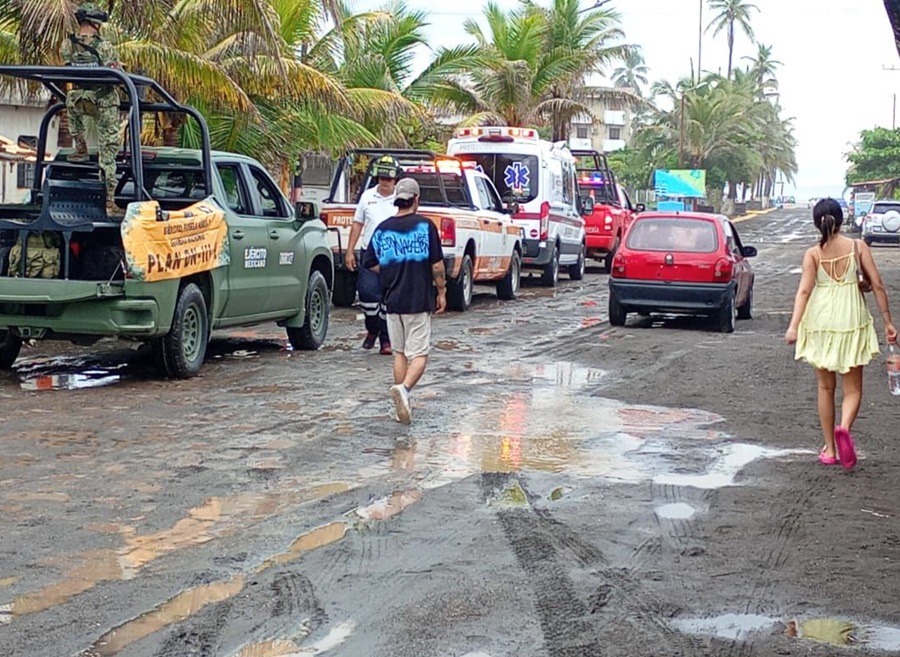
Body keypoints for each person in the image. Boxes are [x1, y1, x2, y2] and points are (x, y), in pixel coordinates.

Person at [785, 198, 897, 469]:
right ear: (842, 219)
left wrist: (793, 326)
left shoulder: (813, 254)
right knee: (853, 389)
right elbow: (878, 284)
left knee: (825, 388)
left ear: (817, 223)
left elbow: (804, 291)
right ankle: (844, 427)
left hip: (820, 319)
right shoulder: (858, 247)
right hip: (851, 317)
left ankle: (831, 449)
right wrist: (888, 322)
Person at [363, 178, 446, 425]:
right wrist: (441, 291)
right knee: (419, 355)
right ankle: (405, 390)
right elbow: (437, 265)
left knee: (399, 352)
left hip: (392, 300)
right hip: (418, 300)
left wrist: (389, 270)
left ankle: (401, 402)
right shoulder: (425, 226)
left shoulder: (383, 229)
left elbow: (370, 262)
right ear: (416, 199)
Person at [61, 2, 123, 216]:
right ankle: (109, 202)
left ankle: (80, 148)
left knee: (70, 99)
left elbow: (67, 69)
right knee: (108, 152)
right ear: (95, 23)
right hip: (103, 101)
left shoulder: (68, 44)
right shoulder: (104, 46)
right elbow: (116, 71)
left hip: (78, 100)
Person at [346, 155, 400, 354]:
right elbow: (357, 224)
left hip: (394, 255)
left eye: (389, 178)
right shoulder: (367, 196)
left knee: (389, 299)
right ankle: (372, 328)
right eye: (382, 178)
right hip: (370, 254)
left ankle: (386, 341)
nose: (385, 182)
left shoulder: (401, 199)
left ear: (396, 179)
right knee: (367, 295)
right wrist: (350, 251)